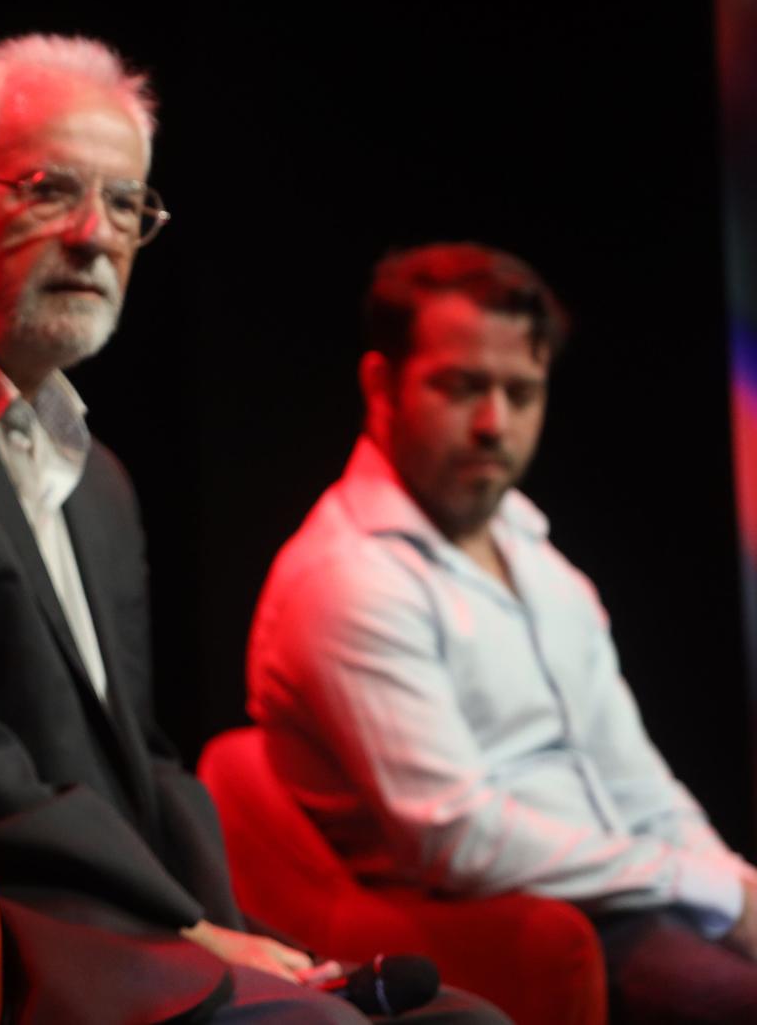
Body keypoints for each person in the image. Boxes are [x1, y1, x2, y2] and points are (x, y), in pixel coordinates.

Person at [0, 35, 504, 1022]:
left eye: (126, 202)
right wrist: (187, 931)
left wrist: (230, 927)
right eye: (50, 191)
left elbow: (137, 757)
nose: (95, 235)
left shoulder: (101, 480)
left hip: (128, 925)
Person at [247, 243, 757, 1023]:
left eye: (522, 393)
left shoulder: (536, 551)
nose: (495, 424)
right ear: (381, 384)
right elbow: (460, 837)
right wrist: (707, 887)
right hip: (528, 925)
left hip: (633, 893)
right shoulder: (347, 576)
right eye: (462, 387)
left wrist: (734, 883)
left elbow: (633, 778)